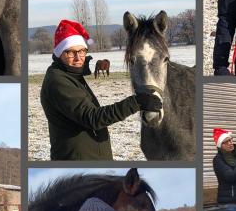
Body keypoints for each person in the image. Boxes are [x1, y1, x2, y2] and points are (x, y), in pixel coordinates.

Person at [40, 20, 162, 160]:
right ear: (59, 53)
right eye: (70, 52)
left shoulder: (72, 74)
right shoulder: (58, 81)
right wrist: (136, 103)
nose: (78, 57)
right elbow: (93, 118)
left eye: (82, 51)